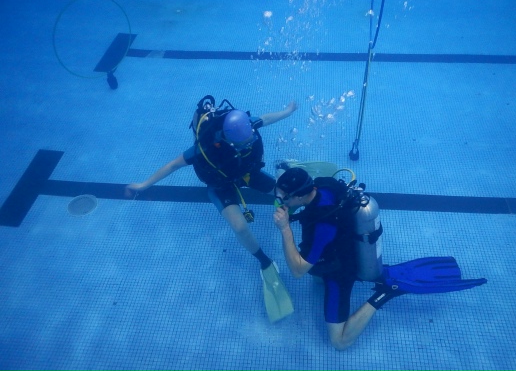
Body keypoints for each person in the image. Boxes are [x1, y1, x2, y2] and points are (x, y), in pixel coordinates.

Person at [272, 167, 486, 350]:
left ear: (299, 196)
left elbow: (298, 271)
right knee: (316, 278)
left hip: (340, 271)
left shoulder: (323, 225)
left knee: (340, 342)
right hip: (345, 246)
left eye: (284, 197)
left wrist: (285, 229)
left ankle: (386, 293)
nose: (280, 200)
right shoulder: (323, 185)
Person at [126, 96, 297, 322]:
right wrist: (143, 185)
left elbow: (265, 118)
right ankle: (264, 262)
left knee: (284, 193)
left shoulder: (246, 125)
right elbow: (173, 164)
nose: (249, 145)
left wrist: (287, 111)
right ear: (228, 140)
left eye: (251, 140)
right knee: (239, 227)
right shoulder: (204, 148)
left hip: (246, 172)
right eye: (243, 144)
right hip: (220, 184)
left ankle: (282, 170)